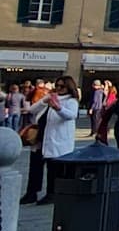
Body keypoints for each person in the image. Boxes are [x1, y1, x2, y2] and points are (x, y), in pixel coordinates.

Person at [21, 75, 81, 205]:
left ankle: (51, 194)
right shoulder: (50, 97)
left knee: (53, 169)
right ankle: (31, 193)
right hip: (40, 138)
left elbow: (71, 115)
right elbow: (32, 109)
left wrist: (58, 108)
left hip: (56, 139)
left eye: (62, 86)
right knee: (35, 167)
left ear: (69, 87)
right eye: (57, 86)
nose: (58, 88)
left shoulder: (71, 101)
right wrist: (44, 100)